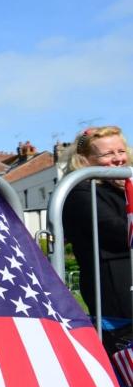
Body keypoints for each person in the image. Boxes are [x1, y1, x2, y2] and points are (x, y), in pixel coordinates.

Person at [61, 125, 131, 354]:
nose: (118, 159)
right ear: (85, 160)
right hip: (114, 287)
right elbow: (119, 232)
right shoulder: (81, 191)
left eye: (121, 151)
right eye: (108, 154)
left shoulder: (123, 186)